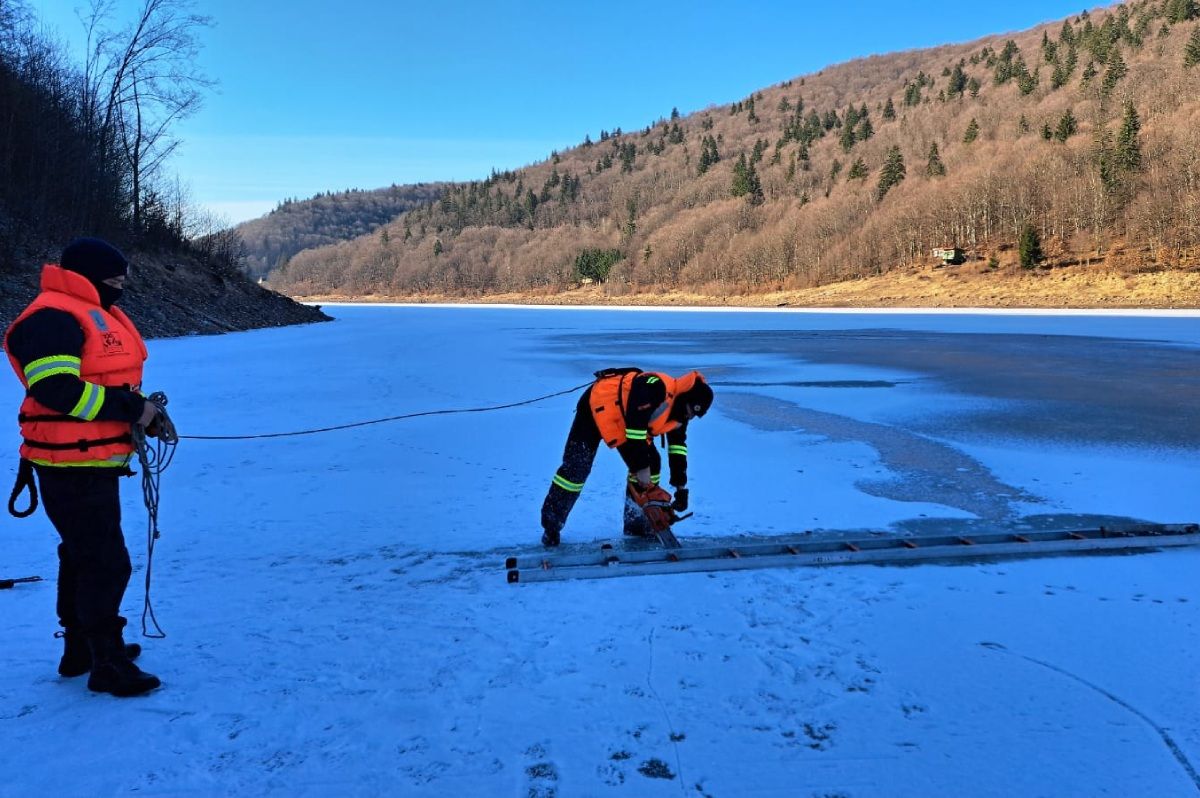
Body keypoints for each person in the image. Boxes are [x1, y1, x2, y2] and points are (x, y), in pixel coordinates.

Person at [4, 237, 162, 697]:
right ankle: (106, 662)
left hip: (90, 458)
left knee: (83, 554)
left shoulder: (85, 311)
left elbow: (99, 380)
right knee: (105, 562)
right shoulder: (52, 319)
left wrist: (141, 413)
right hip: (68, 461)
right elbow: (56, 390)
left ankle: (81, 650)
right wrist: (132, 409)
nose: (120, 287)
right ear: (86, 277)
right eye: (112, 279)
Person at [540, 367, 714, 547]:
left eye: (694, 415)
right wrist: (641, 468)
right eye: (690, 410)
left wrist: (680, 486)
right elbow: (635, 429)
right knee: (576, 468)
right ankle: (551, 525)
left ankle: (637, 526)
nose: (689, 417)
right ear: (685, 397)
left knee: (652, 463)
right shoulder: (656, 387)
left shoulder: (680, 415)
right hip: (596, 405)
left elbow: (677, 448)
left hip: (622, 422)